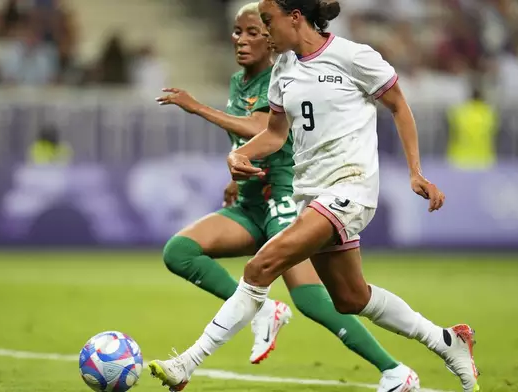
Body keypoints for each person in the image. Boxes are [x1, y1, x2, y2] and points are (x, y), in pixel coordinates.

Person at [149, 1, 480, 392]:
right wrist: (239, 154)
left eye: (268, 22)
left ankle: (187, 363)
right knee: (350, 298)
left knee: (259, 268)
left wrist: (415, 171)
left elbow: (399, 105)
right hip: (313, 195)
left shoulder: (354, 56)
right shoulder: (283, 72)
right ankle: (447, 342)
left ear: (295, 17)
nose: (265, 32)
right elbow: (274, 134)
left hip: (350, 189)